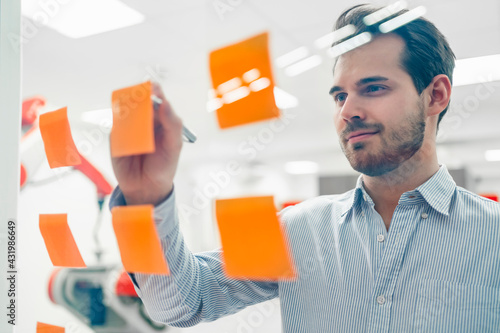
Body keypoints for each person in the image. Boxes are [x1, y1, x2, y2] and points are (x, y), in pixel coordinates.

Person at [109, 4, 500, 332]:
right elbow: (178, 303)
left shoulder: (492, 235)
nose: (348, 111)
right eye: (340, 95)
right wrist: (147, 197)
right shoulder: (298, 229)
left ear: (435, 95)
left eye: (373, 88)